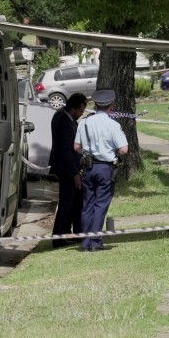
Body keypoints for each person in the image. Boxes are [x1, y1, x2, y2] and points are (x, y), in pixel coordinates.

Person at [74, 89, 129, 252]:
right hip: (105, 167)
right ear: (111, 106)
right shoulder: (113, 124)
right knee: (101, 205)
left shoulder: (84, 123)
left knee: (87, 205)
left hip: (88, 167)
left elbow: (76, 146)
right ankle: (96, 241)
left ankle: (85, 242)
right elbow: (124, 149)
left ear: (95, 105)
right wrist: (111, 152)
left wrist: (87, 153)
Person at [48, 92, 88, 248]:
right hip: (66, 169)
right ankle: (58, 238)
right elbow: (66, 150)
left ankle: (74, 232)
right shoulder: (64, 121)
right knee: (66, 203)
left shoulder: (64, 117)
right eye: (81, 111)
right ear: (74, 109)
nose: (81, 114)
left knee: (76, 201)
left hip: (69, 167)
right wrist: (74, 173)